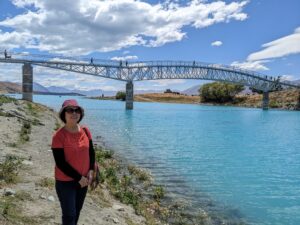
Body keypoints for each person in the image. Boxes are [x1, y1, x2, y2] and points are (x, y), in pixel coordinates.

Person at [51, 99, 95, 225]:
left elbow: (91, 152)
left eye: (77, 110)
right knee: (69, 215)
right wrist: (78, 177)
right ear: (63, 114)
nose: (74, 113)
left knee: (77, 211)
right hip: (66, 182)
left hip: (84, 180)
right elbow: (60, 163)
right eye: (70, 110)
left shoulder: (86, 130)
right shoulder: (58, 136)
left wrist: (91, 171)